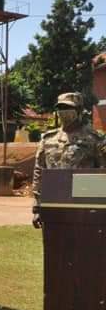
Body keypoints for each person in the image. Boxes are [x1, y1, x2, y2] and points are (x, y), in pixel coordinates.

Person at [32, 92, 106, 228]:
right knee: (55, 245)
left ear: (79, 111)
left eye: (67, 108)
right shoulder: (48, 139)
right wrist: (37, 208)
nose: (63, 112)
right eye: (60, 108)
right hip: (53, 202)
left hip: (84, 206)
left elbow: (103, 174)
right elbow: (39, 173)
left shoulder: (94, 139)